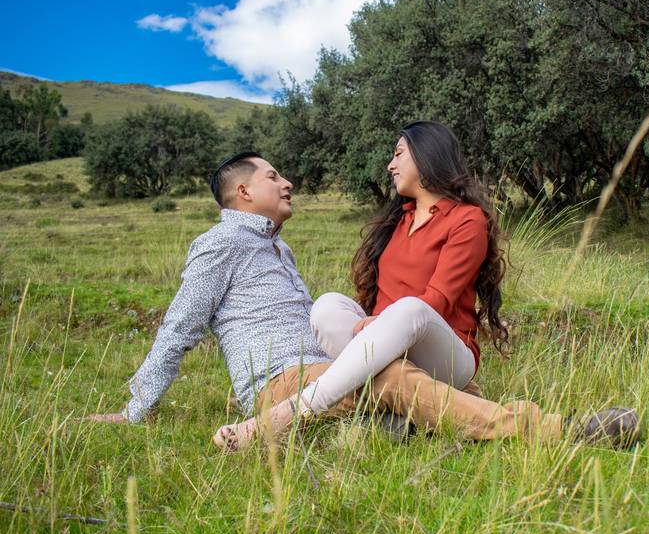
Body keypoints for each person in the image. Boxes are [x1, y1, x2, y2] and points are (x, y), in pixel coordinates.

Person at [213, 122, 640, 451]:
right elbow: (375, 303)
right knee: (327, 306)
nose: (390, 164)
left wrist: (379, 324)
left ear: (426, 155)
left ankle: (292, 413)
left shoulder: (467, 219)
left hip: (446, 349)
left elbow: (434, 301)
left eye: (398, 154)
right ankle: (406, 417)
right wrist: (375, 326)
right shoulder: (394, 223)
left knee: (411, 309)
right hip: (391, 343)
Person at [87, 152, 434, 433]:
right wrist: (137, 409)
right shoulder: (220, 243)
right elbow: (179, 327)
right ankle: (489, 427)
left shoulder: (278, 247)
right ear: (244, 192)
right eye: (273, 177)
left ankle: (385, 427)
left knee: (411, 370)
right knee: (392, 377)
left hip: (319, 372)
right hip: (280, 380)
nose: (287, 183)